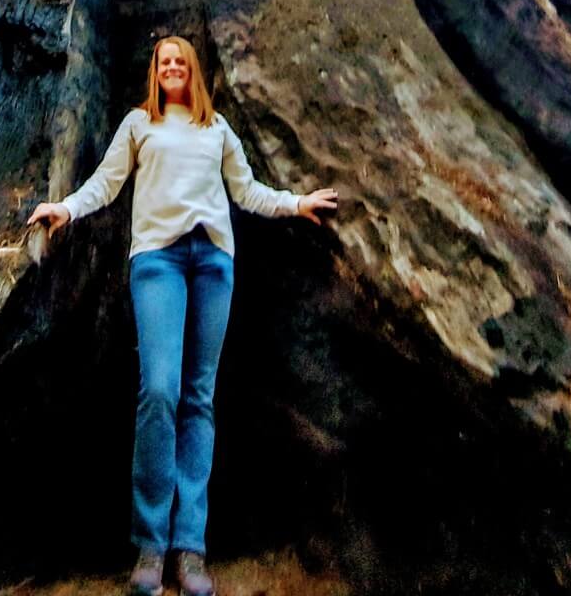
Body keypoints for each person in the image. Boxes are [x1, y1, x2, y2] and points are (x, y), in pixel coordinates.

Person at [28, 35, 339, 596]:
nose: (172, 66)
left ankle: (189, 551)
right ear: (155, 72)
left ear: (192, 72)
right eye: (163, 60)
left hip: (213, 262)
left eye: (180, 61)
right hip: (158, 263)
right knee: (160, 392)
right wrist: (66, 208)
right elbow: (106, 182)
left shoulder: (216, 128)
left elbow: (246, 192)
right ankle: (149, 545)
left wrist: (297, 203)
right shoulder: (138, 124)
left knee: (199, 396)